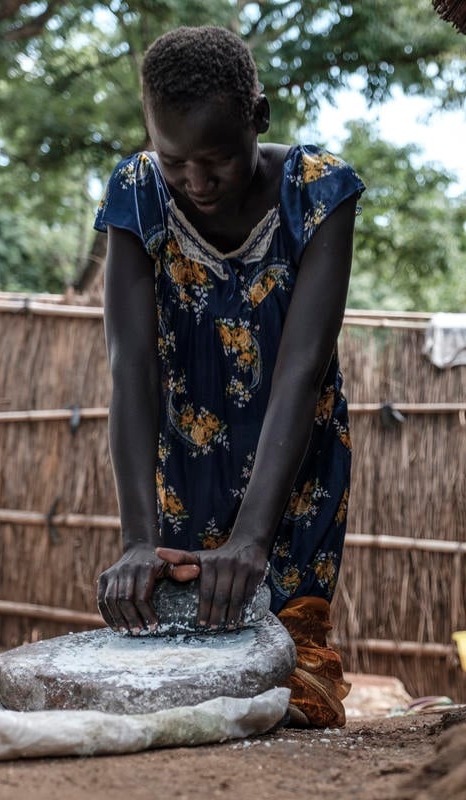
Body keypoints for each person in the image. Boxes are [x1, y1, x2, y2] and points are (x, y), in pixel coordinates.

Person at [93, 26, 363, 729]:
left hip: (291, 466)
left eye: (217, 159)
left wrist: (251, 538)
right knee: (183, 676)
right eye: (175, 158)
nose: (196, 181)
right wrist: (138, 539)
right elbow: (132, 368)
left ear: (259, 118)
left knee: (292, 689)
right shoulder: (137, 193)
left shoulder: (318, 195)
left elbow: (303, 369)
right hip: (182, 463)